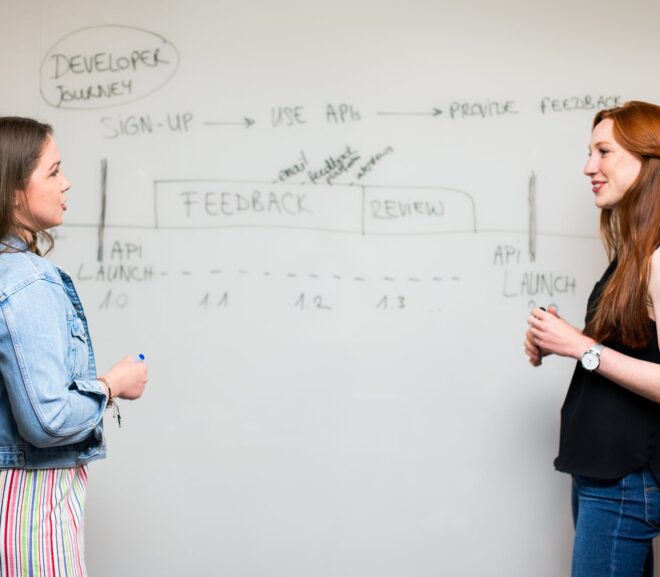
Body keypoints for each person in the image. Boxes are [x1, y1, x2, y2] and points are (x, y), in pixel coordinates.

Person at [0, 116, 147, 577]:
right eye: (53, 171)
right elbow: (47, 419)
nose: (67, 183)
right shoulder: (28, 279)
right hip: (29, 501)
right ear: (15, 189)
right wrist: (111, 385)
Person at [525, 100, 660, 577]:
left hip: (626, 481)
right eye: (590, 152)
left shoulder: (659, 259)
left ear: (648, 161)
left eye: (603, 151)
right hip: (603, 473)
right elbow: (634, 349)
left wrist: (580, 347)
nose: (588, 167)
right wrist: (564, 340)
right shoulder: (634, 255)